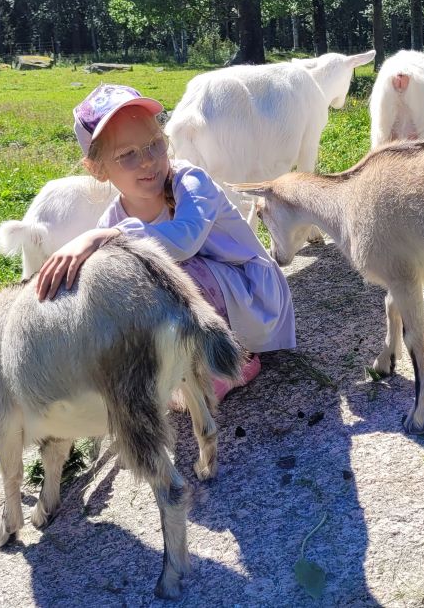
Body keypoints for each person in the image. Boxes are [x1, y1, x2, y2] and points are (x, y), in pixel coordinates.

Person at [36, 83, 295, 399]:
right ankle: (184, 361)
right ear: (97, 169)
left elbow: (183, 240)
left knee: (171, 267)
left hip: (253, 296)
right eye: (127, 155)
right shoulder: (114, 219)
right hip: (208, 308)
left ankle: (234, 360)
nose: (148, 160)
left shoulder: (190, 181)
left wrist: (104, 237)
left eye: (154, 144)